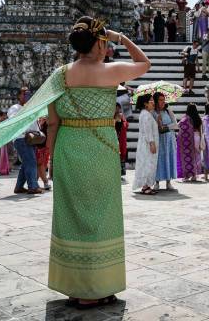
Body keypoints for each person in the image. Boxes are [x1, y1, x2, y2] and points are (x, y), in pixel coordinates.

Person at [46, 16, 150, 309]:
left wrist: (52, 159)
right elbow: (144, 64)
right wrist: (120, 38)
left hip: (68, 147)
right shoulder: (110, 71)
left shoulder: (59, 75)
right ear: (99, 42)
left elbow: (52, 123)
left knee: (71, 217)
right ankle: (99, 287)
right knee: (102, 218)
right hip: (102, 149)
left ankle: (76, 287)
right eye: (104, 42)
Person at [8, 87, 44, 194]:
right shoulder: (15, 108)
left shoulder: (31, 107)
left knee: (26, 163)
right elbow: (14, 120)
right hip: (21, 138)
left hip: (31, 139)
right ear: (19, 96)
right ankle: (33, 186)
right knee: (31, 162)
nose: (27, 95)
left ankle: (19, 187)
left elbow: (34, 124)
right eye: (24, 94)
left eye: (28, 94)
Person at [133, 94, 159, 195]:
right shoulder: (146, 115)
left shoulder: (147, 114)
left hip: (146, 143)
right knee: (147, 164)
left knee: (149, 163)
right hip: (147, 144)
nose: (153, 102)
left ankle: (147, 185)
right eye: (151, 101)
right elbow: (147, 131)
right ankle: (145, 186)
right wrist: (151, 143)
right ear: (145, 103)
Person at [152, 92, 178, 191]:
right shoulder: (153, 113)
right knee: (158, 159)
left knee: (169, 157)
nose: (163, 102)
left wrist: (166, 126)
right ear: (156, 101)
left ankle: (168, 182)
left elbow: (175, 124)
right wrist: (158, 123)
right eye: (160, 100)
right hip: (158, 138)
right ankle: (157, 181)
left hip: (169, 139)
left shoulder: (168, 111)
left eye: (164, 100)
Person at [177, 104, 204, 182]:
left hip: (189, 139)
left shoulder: (186, 118)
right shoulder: (198, 118)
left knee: (189, 157)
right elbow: (200, 129)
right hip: (197, 137)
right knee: (197, 156)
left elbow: (179, 125)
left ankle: (187, 175)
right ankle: (195, 175)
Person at [35, 117, 51, 190]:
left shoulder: (48, 121)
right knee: (40, 164)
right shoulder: (38, 120)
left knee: (42, 165)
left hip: (45, 146)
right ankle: (44, 182)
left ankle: (37, 182)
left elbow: (49, 133)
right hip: (38, 146)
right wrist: (40, 123)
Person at [114, 103, 129, 177]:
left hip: (122, 139)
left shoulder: (122, 116)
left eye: (118, 108)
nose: (117, 109)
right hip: (114, 138)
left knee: (122, 155)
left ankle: (121, 173)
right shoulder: (111, 117)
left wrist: (121, 121)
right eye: (115, 108)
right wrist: (115, 120)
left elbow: (126, 125)